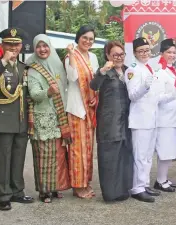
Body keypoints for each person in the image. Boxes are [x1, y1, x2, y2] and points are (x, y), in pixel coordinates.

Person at [0, 27, 35, 211]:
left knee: (18, 159)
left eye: (17, 44)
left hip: (20, 121)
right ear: (2, 45)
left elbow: (28, 93)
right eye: (9, 44)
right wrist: (3, 61)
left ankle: (17, 191)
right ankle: (3, 195)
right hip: (2, 121)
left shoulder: (23, 68)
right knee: (2, 160)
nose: (13, 48)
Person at [25, 34, 71, 203]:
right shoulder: (32, 69)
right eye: (39, 46)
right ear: (35, 48)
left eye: (45, 46)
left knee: (57, 155)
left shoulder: (57, 65)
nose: (42, 49)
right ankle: (44, 191)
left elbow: (66, 88)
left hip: (58, 117)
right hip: (42, 118)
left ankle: (55, 187)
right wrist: (48, 92)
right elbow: (35, 94)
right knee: (43, 156)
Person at [91, 40, 134, 202]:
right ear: (108, 55)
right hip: (109, 121)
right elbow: (93, 85)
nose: (119, 57)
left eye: (121, 54)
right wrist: (102, 71)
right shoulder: (104, 72)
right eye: (115, 55)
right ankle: (110, 193)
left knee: (124, 155)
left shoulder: (129, 70)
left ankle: (123, 190)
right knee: (109, 157)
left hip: (126, 120)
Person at [64, 25, 100, 199]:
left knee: (88, 149)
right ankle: (78, 186)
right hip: (77, 109)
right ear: (78, 38)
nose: (87, 41)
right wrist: (71, 54)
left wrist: (96, 97)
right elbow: (72, 77)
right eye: (84, 37)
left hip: (90, 108)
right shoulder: (70, 56)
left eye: (91, 39)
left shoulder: (93, 57)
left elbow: (97, 81)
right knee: (77, 149)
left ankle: (86, 181)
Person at [126, 37, 162, 203]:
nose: (144, 53)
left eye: (147, 50)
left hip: (152, 118)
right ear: (134, 53)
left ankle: (144, 184)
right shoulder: (132, 70)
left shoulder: (149, 68)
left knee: (148, 155)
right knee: (140, 155)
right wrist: (144, 87)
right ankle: (137, 188)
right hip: (140, 120)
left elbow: (154, 96)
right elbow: (132, 96)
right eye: (141, 51)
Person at [153, 38, 176, 192]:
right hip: (164, 119)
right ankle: (160, 180)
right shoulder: (159, 72)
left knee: (170, 151)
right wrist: (173, 94)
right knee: (164, 151)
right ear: (162, 53)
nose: (171, 55)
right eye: (168, 52)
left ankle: (164, 178)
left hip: (175, 117)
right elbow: (156, 98)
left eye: (174, 52)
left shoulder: (175, 71)